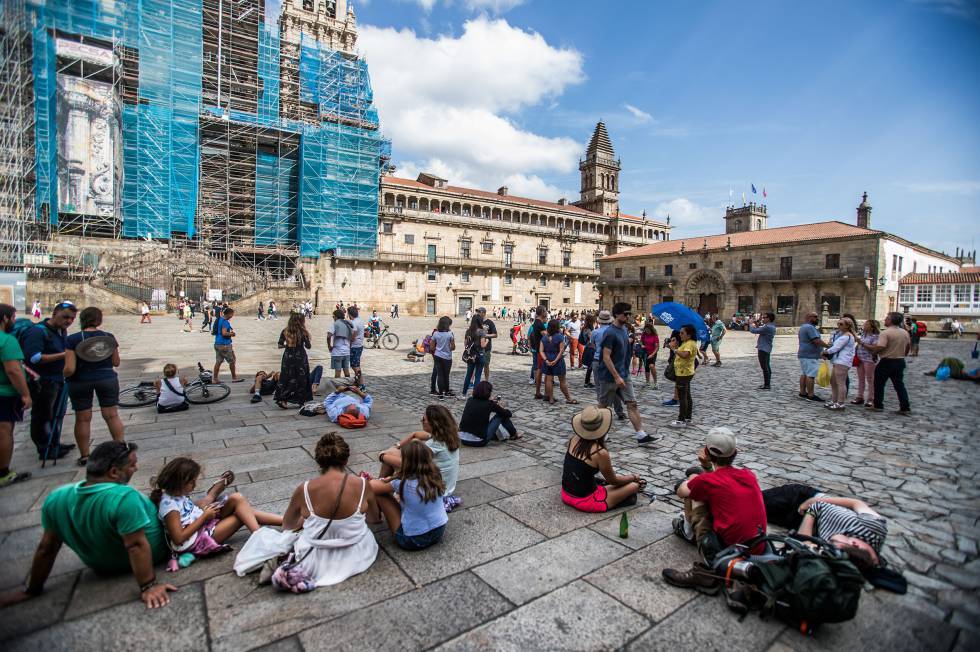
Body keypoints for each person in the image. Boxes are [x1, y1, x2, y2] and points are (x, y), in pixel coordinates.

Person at [0, 442, 175, 609]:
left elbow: (47, 548)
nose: (136, 469)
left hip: (99, 565)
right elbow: (135, 545)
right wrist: (148, 586)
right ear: (114, 472)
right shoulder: (123, 497)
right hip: (150, 556)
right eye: (132, 465)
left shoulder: (57, 497)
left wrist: (32, 589)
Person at [662, 427, 766, 593]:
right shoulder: (749, 475)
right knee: (708, 493)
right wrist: (706, 470)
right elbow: (718, 482)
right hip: (758, 548)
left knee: (695, 495)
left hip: (726, 554)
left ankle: (689, 532)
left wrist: (693, 477)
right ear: (735, 453)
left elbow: (681, 491)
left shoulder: (706, 482)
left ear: (706, 452)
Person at [278, 432, 378, 588]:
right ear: (346, 459)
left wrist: (309, 519)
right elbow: (374, 518)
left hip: (315, 558)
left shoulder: (303, 489)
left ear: (319, 461)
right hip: (357, 553)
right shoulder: (363, 484)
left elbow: (287, 525)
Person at [151, 457, 281, 561]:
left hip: (204, 525)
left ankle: (284, 521)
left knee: (237, 498)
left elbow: (187, 513)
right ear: (179, 483)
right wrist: (204, 517)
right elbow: (178, 538)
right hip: (198, 540)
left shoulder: (176, 494)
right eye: (192, 482)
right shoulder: (170, 507)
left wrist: (204, 511)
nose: (195, 485)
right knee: (241, 515)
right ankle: (260, 539)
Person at [762, 483, 886, 572]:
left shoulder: (856, 558)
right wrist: (806, 542)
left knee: (754, 513)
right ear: (854, 542)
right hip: (803, 501)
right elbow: (855, 503)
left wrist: (808, 545)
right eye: (833, 541)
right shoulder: (873, 527)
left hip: (803, 523)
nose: (830, 540)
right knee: (753, 501)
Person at [64, 307, 124, 465]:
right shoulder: (108, 337)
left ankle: (85, 455)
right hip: (106, 377)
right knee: (112, 415)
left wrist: (62, 375)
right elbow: (116, 362)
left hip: (80, 380)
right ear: (99, 320)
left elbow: (70, 368)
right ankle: (120, 449)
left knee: (83, 418)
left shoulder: (73, 339)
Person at [21, 300, 77, 460]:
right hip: (43, 382)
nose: (68, 321)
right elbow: (34, 358)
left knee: (56, 414)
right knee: (43, 415)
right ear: (54, 314)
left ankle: (54, 442)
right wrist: (65, 355)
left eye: (72, 319)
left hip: (58, 379)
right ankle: (44, 447)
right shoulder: (37, 332)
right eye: (65, 317)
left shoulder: (61, 332)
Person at [560, 406, 644, 513]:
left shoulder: (573, 439)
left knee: (611, 484)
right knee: (634, 486)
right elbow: (613, 481)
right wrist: (633, 477)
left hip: (566, 494)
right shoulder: (599, 452)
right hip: (586, 500)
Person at [369, 441, 448, 551]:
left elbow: (372, 486)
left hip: (413, 540)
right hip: (439, 532)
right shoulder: (435, 476)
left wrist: (371, 479)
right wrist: (394, 477)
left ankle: (375, 517)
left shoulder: (403, 483)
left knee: (381, 494)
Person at [377, 404, 460, 503]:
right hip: (445, 487)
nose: (421, 421)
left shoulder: (434, 444)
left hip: (434, 491)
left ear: (434, 424)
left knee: (390, 456)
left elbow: (407, 464)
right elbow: (415, 435)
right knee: (403, 448)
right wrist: (397, 445)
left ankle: (380, 488)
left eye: (424, 419)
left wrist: (382, 456)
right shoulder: (447, 436)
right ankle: (382, 485)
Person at [597, 303, 652, 444]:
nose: (628, 316)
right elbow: (606, 357)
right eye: (625, 314)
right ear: (616, 314)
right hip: (609, 377)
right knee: (604, 407)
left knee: (632, 403)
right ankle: (600, 434)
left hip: (624, 374)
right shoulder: (609, 332)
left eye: (629, 313)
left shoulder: (624, 329)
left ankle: (641, 435)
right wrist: (616, 377)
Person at [0, 304, 32, 487]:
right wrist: (25, 394)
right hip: (4, 393)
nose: (14, 321)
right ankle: (3, 472)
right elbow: (13, 370)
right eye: (12, 317)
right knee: (4, 431)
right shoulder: (6, 340)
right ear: (5, 318)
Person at [866, 312, 912, 415]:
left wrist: (874, 353)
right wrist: (903, 354)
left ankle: (878, 405)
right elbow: (908, 346)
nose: (885, 320)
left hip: (887, 360)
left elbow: (881, 346)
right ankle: (905, 406)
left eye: (887, 318)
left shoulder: (885, 333)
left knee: (879, 384)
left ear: (891, 320)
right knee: (899, 385)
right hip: (899, 360)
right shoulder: (904, 332)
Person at [458, 381, 520, 446]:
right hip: (479, 441)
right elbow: (508, 414)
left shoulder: (470, 400)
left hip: (462, 439)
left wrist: (491, 402)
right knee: (500, 415)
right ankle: (514, 434)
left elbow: (481, 405)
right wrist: (500, 407)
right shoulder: (489, 404)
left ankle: (502, 435)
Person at [539, 318, 578, 404]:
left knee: (548, 380)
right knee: (562, 381)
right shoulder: (560, 336)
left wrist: (546, 360)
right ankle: (568, 398)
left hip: (547, 359)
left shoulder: (544, 337)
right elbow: (561, 350)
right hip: (558, 360)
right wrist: (555, 360)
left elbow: (541, 350)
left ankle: (551, 398)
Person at [822, 317, 856, 410]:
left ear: (847, 326)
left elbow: (836, 348)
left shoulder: (846, 336)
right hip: (838, 361)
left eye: (841, 324)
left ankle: (840, 403)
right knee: (833, 381)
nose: (839, 326)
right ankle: (834, 400)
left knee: (840, 382)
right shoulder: (842, 335)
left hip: (843, 361)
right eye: (838, 324)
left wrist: (825, 352)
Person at [668, 325, 699, 427]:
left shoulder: (689, 344)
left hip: (683, 373)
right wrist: (676, 345)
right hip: (685, 372)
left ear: (689, 335)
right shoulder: (688, 342)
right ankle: (688, 418)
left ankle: (681, 420)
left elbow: (685, 355)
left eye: (682, 333)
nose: (680, 335)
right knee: (687, 396)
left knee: (682, 397)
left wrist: (674, 349)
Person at [797, 311, 828, 402]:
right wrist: (828, 347)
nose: (817, 318)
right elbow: (816, 341)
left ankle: (802, 392)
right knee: (811, 375)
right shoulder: (810, 328)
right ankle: (810, 395)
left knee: (805, 373)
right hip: (810, 355)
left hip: (804, 353)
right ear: (809, 317)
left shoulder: (804, 327)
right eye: (815, 316)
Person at [212, 307, 243, 384]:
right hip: (224, 345)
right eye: (232, 314)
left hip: (217, 343)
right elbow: (224, 333)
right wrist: (232, 334)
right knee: (232, 361)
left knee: (218, 362)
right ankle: (234, 378)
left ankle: (215, 378)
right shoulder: (225, 322)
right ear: (229, 314)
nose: (232, 316)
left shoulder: (219, 319)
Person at [461, 314, 487, 397]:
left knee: (468, 375)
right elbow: (482, 345)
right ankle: (475, 395)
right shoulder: (482, 331)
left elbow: (465, 344)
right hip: (480, 355)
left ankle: (463, 394)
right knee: (478, 376)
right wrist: (487, 342)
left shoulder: (468, 331)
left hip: (470, 355)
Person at [429, 316, 455, 398]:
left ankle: (440, 393)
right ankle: (446, 391)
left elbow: (432, 347)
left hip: (437, 356)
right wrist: (447, 348)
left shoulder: (436, 333)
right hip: (447, 357)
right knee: (446, 375)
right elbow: (453, 347)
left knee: (440, 375)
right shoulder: (450, 334)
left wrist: (438, 348)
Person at [748, 312, 776, 389]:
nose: (763, 319)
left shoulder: (768, 327)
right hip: (766, 348)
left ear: (769, 318)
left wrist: (751, 324)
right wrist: (756, 324)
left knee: (764, 367)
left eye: (764, 317)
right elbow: (760, 329)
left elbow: (753, 331)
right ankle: (767, 383)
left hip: (763, 348)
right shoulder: (770, 326)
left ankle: (767, 384)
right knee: (767, 366)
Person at [328, 308, 354, 381]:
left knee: (338, 372)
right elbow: (351, 338)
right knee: (347, 371)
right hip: (346, 351)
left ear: (336, 316)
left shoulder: (335, 324)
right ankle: (349, 385)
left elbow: (328, 336)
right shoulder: (348, 324)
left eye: (333, 316)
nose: (333, 318)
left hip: (337, 352)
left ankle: (338, 387)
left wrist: (329, 346)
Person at [528, 306, 548, 390]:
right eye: (545, 311)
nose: (546, 312)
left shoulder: (536, 322)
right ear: (543, 312)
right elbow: (546, 336)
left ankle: (537, 384)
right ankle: (538, 383)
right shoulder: (540, 324)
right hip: (540, 349)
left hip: (537, 347)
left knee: (537, 366)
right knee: (540, 367)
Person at [475, 307, 497, 381]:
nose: (478, 314)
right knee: (475, 365)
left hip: (486, 347)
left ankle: (486, 380)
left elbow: (495, 334)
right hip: (477, 347)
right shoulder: (475, 322)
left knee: (486, 364)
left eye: (479, 312)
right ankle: (474, 381)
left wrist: (485, 335)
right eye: (477, 312)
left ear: (484, 313)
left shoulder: (490, 322)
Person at [347, 306, 365, 388]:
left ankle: (361, 384)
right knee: (357, 365)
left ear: (350, 314)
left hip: (355, 346)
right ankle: (358, 382)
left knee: (355, 366)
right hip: (360, 345)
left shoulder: (354, 323)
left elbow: (353, 336)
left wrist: (349, 345)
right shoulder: (360, 321)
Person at [640, 321, 660, 388]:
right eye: (646, 330)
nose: (647, 331)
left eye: (648, 330)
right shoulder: (644, 334)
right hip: (645, 352)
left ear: (651, 330)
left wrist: (652, 354)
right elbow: (641, 341)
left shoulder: (655, 336)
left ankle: (655, 382)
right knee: (646, 367)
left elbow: (657, 347)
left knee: (651, 366)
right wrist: (642, 345)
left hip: (652, 353)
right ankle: (647, 382)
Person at [581, 314, 597, 387]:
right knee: (591, 366)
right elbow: (592, 340)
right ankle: (586, 383)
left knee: (590, 367)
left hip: (588, 348)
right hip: (591, 349)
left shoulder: (585, 328)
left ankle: (587, 382)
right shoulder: (589, 330)